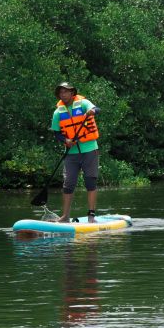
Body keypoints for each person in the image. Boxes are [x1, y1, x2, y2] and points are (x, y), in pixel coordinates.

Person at [51, 82, 101, 223]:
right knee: (68, 184)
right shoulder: (58, 112)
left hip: (89, 149)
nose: (64, 94)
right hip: (71, 153)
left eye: (66, 92)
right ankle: (65, 216)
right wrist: (66, 140)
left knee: (90, 181)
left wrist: (93, 111)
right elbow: (57, 133)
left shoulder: (83, 103)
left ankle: (91, 215)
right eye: (61, 92)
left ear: (72, 93)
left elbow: (97, 109)